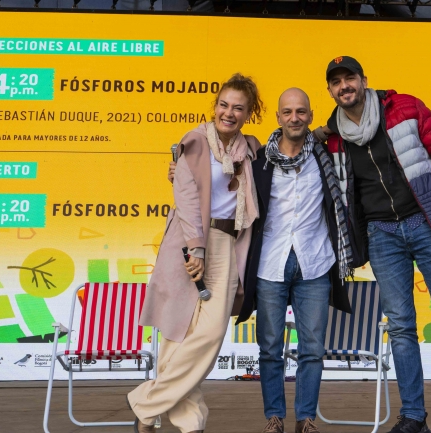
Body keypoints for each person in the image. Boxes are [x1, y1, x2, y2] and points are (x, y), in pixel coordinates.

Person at [315, 56, 431, 433]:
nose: (344, 86)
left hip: (429, 226)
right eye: (336, 82)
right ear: (330, 90)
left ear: (364, 80)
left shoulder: (405, 107)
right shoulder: (332, 137)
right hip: (382, 235)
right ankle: (413, 417)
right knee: (401, 327)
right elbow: (288, 155)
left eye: (350, 78)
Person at [129, 73, 264, 433]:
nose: (228, 113)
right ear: (214, 106)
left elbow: (289, 148)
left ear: (249, 112)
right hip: (190, 243)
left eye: (238, 107)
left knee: (209, 334)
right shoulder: (194, 141)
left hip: (230, 244)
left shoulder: (251, 149)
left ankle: (145, 406)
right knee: (179, 332)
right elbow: (187, 200)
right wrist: (197, 249)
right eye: (224, 104)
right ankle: (191, 423)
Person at [235, 88, 353, 433]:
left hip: (315, 261)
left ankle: (306, 419)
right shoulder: (258, 162)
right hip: (270, 262)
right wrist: (177, 169)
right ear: (278, 117)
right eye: (287, 112)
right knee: (270, 347)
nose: (294, 118)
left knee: (312, 348)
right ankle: (274, 416)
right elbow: (221, 177)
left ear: (311, 116)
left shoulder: (327, 160)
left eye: (301, 112)